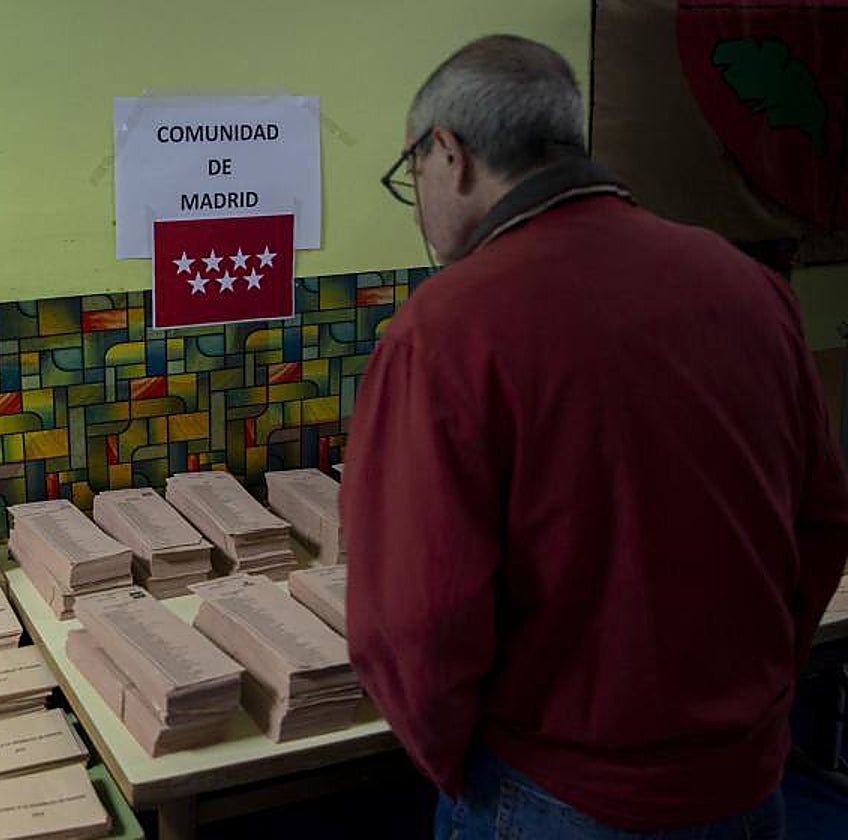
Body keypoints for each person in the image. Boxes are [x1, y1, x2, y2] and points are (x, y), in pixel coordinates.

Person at [342, 34, 848, 839]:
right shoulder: (750, 289)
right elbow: (820, 523)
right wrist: (742, 709)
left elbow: (416, 619)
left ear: (449, 154)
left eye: (413, 175)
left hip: (554, 794)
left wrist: (460, 767)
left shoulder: (446, 331)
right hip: (748, 783)